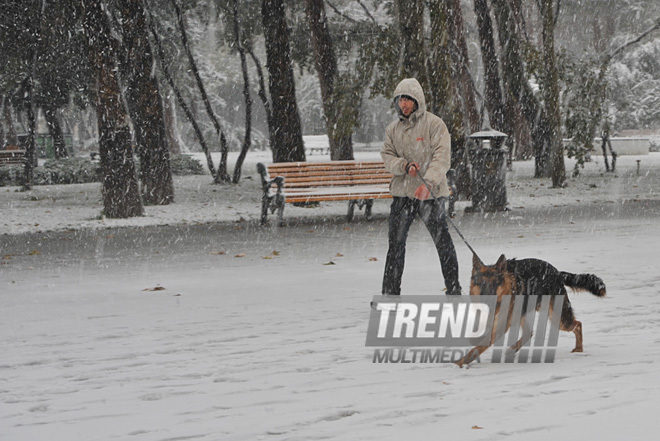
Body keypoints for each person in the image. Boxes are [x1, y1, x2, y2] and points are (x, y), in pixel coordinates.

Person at [380, 78, 462, 296]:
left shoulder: (435, 124)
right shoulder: (392, 130)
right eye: (400, 100)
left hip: (431, 194)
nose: (403, 104)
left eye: (408, 99)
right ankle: (390, 293)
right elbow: (387, 156)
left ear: (417, 101)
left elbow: (442, 157)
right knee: (395, 245)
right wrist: (404, 166)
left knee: (442, 242)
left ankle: (454, 289)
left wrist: (430, 182)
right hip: (403, 194)